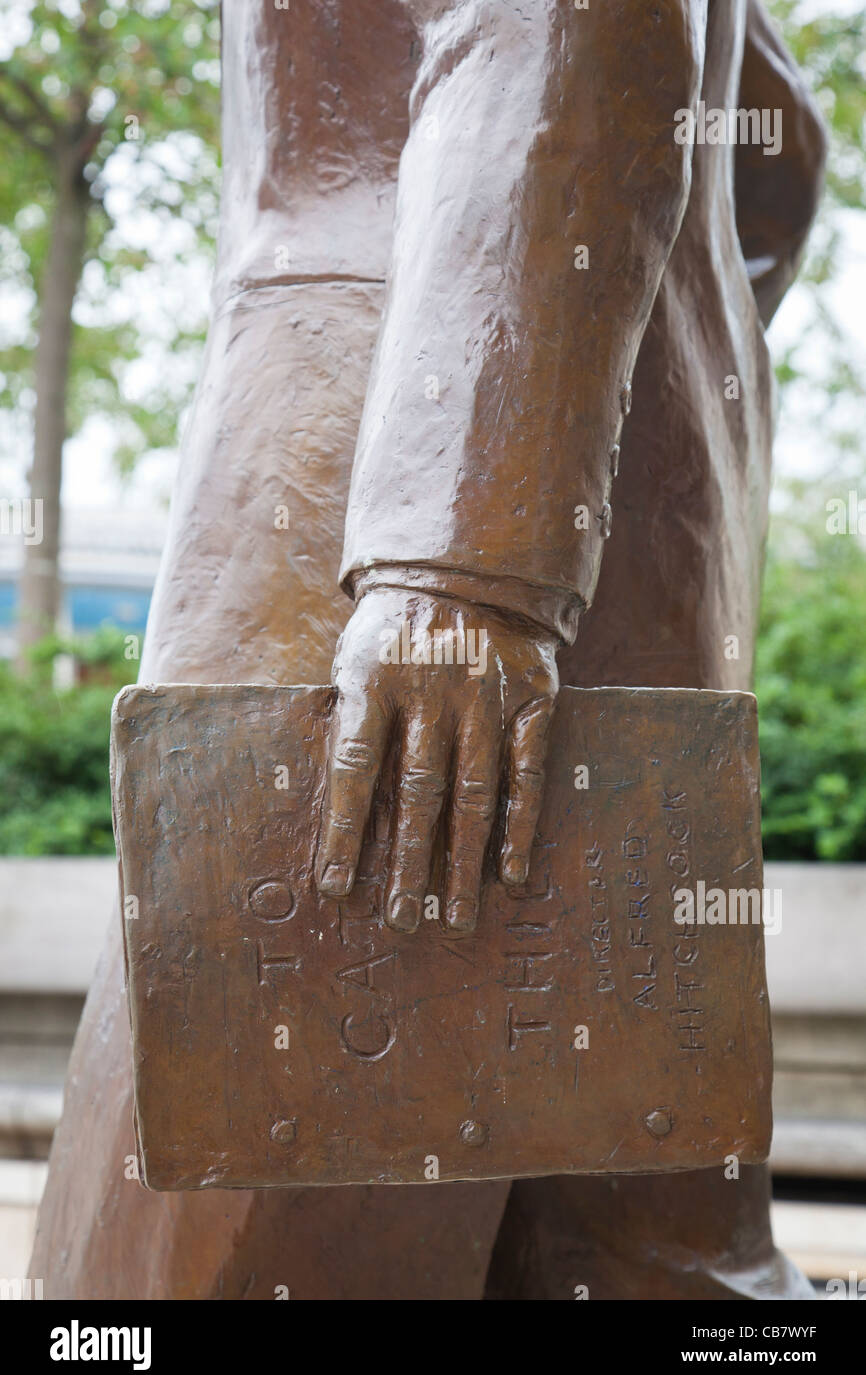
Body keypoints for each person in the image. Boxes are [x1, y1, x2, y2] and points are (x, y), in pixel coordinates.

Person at [31, 0, 826, 1299]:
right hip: (602, 480)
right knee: (634, 1249)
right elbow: (772, 159)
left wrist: (460, 557)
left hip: (380, 477)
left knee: (213, 1249)